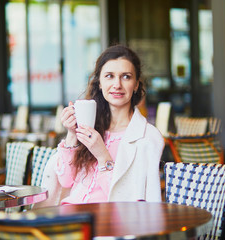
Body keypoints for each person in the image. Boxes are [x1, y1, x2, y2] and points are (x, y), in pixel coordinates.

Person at [40, 44, 164, 206]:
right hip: (70, 213)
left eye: (126, 76)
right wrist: (71, 134)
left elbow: (129, 202)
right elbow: (66, 180)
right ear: (99, 83)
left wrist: (102, 155)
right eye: (109, 76)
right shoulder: (93, 126)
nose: (117, 84)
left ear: (136, 85)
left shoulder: (148, 138)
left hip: (107, 223)